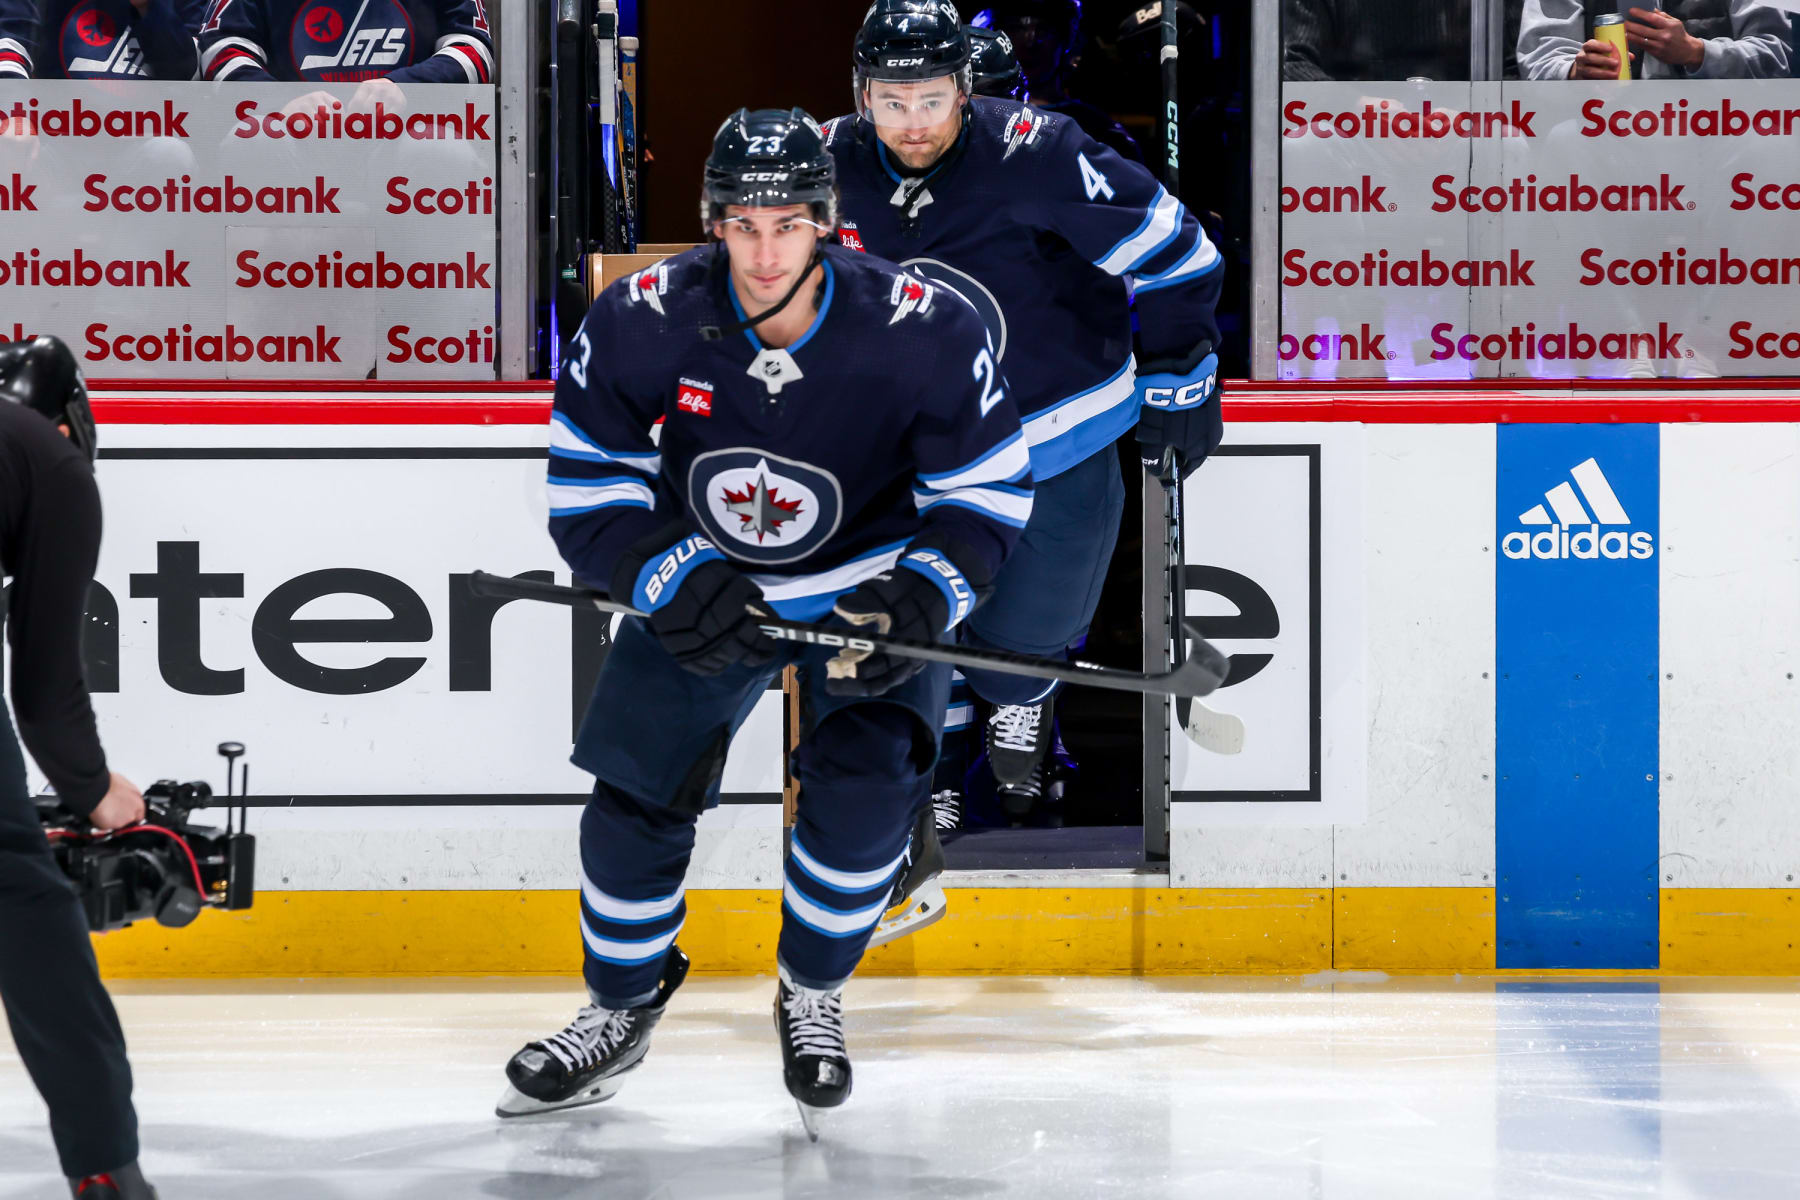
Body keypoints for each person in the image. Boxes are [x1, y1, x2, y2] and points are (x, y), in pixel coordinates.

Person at [495, 108, 1029, 1137]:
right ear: (712, 224)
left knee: (868, 795)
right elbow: (585, 481)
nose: (765, 250)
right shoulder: (645, 315)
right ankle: (619, 1007)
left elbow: (989, 492)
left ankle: (813, 991)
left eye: (788, 223)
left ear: (826, 223)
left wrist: (929, 591)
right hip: (707, 581)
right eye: (743, 224)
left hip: (867, 591)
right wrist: (662, 572)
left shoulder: (923, 328)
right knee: (631, 802)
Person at [825, 0, 1223, 922]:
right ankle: (928, 777)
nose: (914, 121)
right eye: (893, 101)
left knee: (1027, 634)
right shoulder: (827, 162)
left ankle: (1020, 700)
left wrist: (1178, 376)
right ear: (861, 96)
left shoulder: (1039, 151)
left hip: (1055, 432)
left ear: (965, 88)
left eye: (932, 98)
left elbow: (1180, 254)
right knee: (908, 633)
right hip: (908, 453)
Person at [0, 336, 157, 1200]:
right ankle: (106, 1167)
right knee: (22, 898)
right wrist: (93, 790)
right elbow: (44, 677)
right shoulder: (53, 464)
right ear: (70, 419)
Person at [197, 0, 492, 84]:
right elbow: (222, 49)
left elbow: (475, 53)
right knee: (255, 143)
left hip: (407, 129)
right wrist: (280, 103)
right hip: (288, 131)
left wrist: (404, 87)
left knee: (439, 152)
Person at [1518, 0, 1791, 79]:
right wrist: (1575, 71)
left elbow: (1781, 54)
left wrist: (1697, 53)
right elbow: (1540, 57)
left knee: (1768, 148)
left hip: (1721, 127)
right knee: (1563, 138)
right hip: (1599, 126)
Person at [0, 0, 204, 79]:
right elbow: (11, 46)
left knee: (170, 153)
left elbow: (185, 74)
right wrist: (15, 117)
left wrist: (148, 8)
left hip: (146, 132)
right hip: (55, 131)